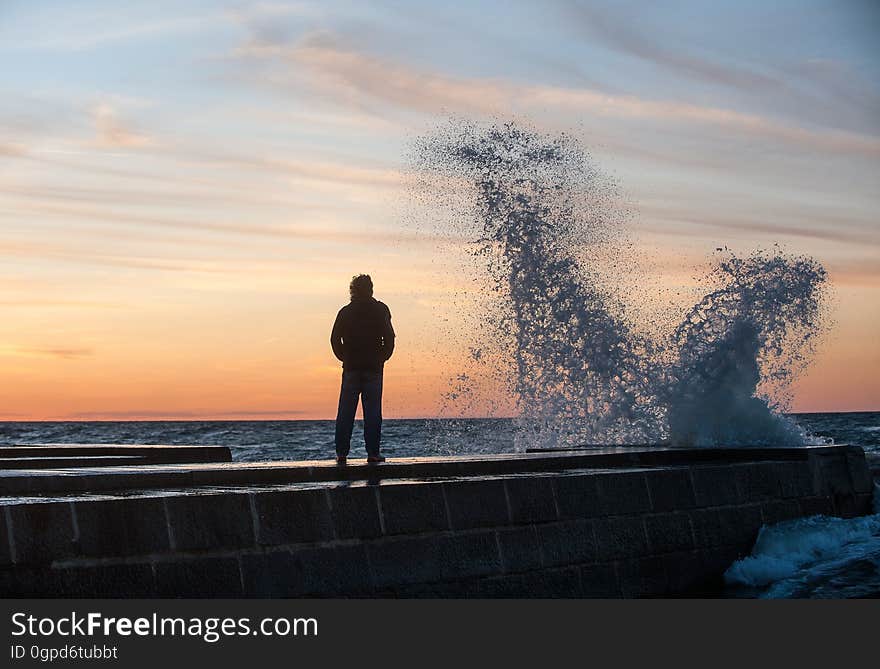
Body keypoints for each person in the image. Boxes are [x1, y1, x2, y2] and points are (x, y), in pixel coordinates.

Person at [330, 274, 395, 464]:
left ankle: (342, 453)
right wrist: (382, 357)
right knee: (373, 412)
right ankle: (373, 453)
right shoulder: (381, 309)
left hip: (352, 367)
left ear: (352, 290)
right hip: (374, 367)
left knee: (345, 412)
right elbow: (390, 337)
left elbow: (334, 339)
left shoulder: (345, 312)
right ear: (371, 289)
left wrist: (345, 357)